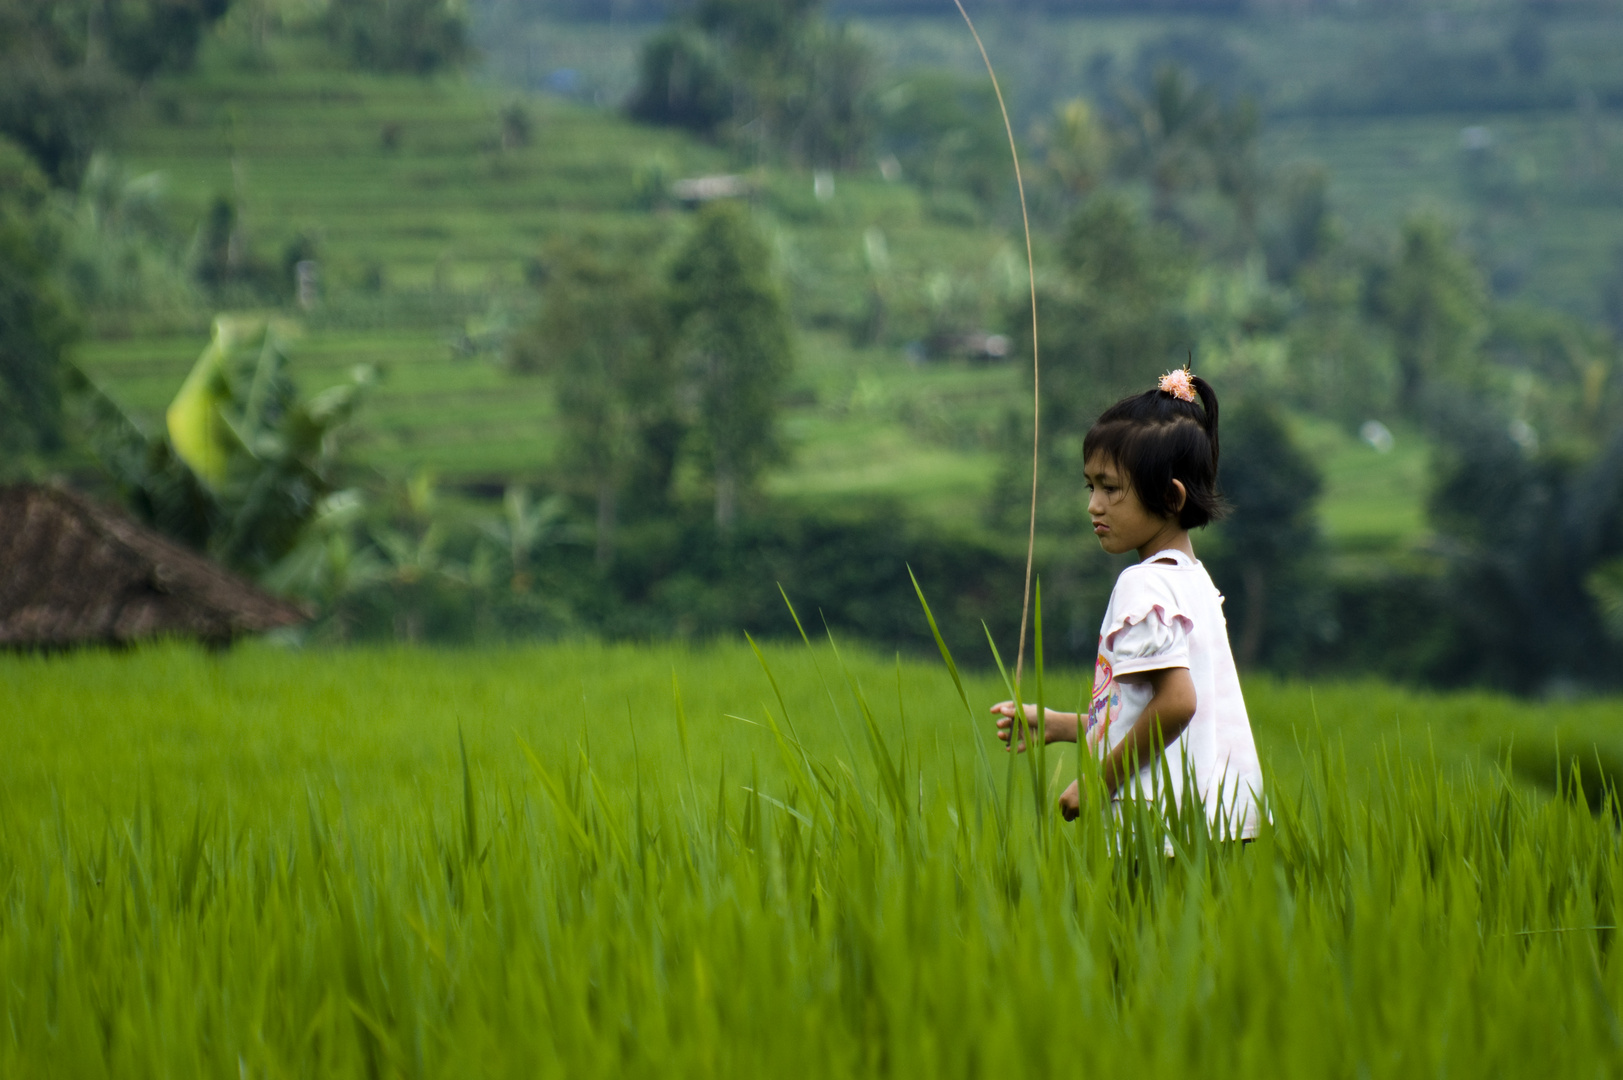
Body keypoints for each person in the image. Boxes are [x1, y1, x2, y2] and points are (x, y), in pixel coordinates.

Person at [991, 368, 1264, 838]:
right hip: (1218, 815)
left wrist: (1097, 783)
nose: (1094, 505)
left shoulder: (1142, 585)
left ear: (1170, 496)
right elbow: (1151, 710)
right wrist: (1058, 724)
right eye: (1090, 486)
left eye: (1110, 488)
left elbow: (1176, 704)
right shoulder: (1195, 582)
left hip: (1157, 824)